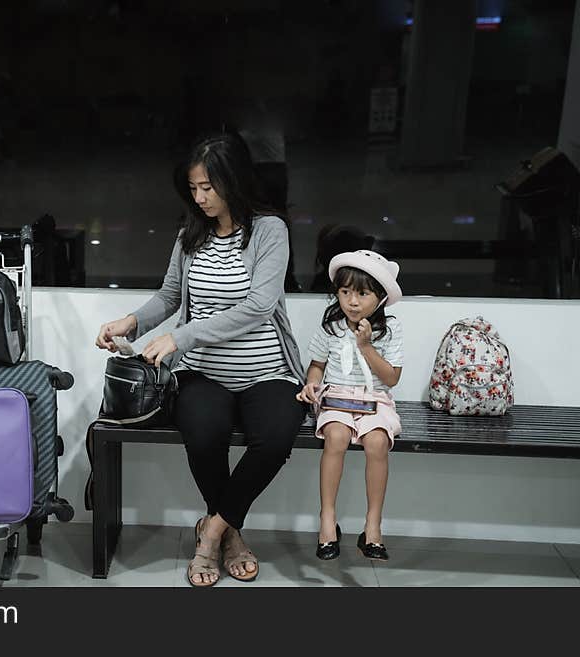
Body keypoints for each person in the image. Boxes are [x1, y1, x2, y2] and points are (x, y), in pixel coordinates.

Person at [95, 132, 307, 587]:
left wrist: (180, 337)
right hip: (204, 372)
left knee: (274, 439)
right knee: (203, 434)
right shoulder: (190, 234)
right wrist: (129, 323)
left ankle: (211, 530)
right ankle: (232, 539)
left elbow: (258, 307)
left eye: (208, 187)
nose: (200, 197)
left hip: (267, 371)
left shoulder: (270, 231)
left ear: (233, 181)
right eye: (193, 188)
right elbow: (170, 296)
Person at [296, 250, 404, 561]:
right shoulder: (331, 326)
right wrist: (311, 383)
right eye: (345, 292)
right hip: (337, 397)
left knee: (377, 442)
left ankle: (372, 526)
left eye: (362, 293)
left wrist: (366, 345)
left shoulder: (390, 329)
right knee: (337, 437)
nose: (352, 302)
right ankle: (327, 520)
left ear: (380, 297)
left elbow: (392, 378)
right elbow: (317, 365)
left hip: (375, 400)